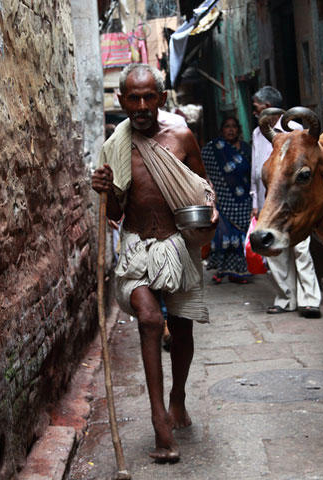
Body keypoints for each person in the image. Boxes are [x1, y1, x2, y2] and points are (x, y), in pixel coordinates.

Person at [91, 63, 218, 463]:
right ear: (122, 100)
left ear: (161, 99)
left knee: (180, 330)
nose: (141, 105)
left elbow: (203, 186)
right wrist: (104, 190)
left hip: (178, 244)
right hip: (136, 245)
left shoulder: (180, 135)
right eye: (133, 97)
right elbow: (114, 210)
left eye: (149, 97)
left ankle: (177, 395)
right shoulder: (115, 145)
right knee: (148, 319)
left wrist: (210, 214)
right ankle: (158, 419)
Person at [250, 86, 322, 318]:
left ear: (269, 106)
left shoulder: (298, 132)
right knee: (275, 252)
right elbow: (255, 168)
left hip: (292, 202)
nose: (255, 111)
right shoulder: (257, 133)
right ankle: (285, 298)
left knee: (301, 249)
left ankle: (309, 299)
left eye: (257, 106)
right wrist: (255, 197)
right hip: (267, 199)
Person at [201, 116, 253, 284]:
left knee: (242, 237)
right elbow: (205, 177)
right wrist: (209, 200)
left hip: (245, 199)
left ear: (238, 129)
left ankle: (240, 272)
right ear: (221, 130)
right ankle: (222, 269)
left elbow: (253, 174)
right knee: (225, 236)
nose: (230, 130)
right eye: (227, 126)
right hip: (223, 201)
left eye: (233, 127)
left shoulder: (246, 149)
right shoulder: (213, 149)